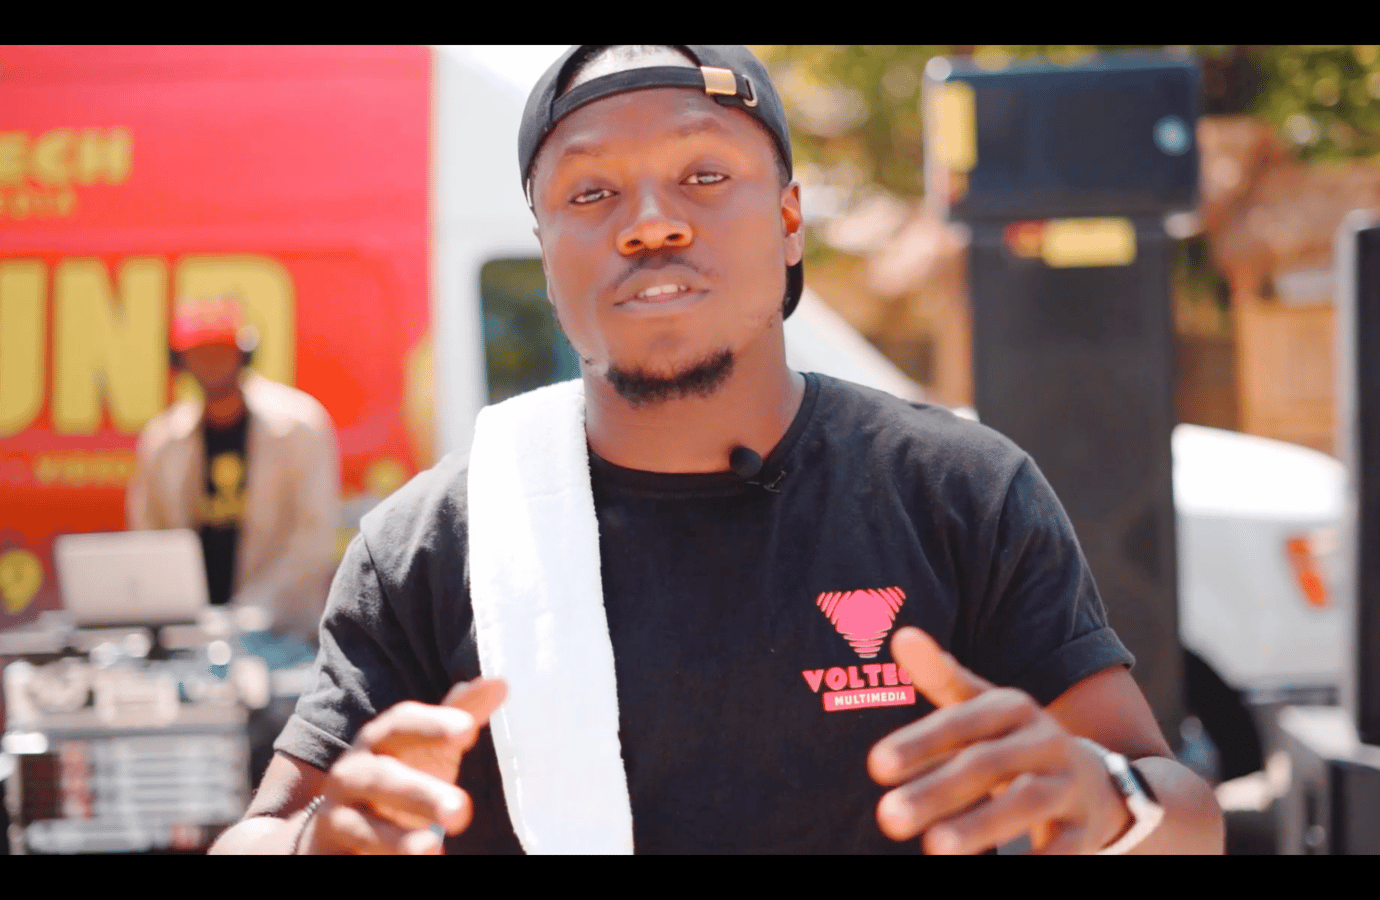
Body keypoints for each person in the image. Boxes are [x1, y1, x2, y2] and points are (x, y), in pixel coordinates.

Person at [210, 45, 1224, 855]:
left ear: (788, 222)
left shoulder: (959, 491)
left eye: (703, 175)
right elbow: (261, 832)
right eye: (591, 195)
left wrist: (1108, 802)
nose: (651, 225)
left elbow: (1185, 814)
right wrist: (313, 842)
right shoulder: (429, 547)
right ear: (547, 258)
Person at [128, 296, 341, 646]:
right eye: (200, 353)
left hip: (282, 636)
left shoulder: (298, 427)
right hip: (191, 639)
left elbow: (313, 540)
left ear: (244, 354)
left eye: (221, 351)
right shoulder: (163, 440)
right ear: (180, 361)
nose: (211, 363)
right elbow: (149, 538)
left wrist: (250, 612)